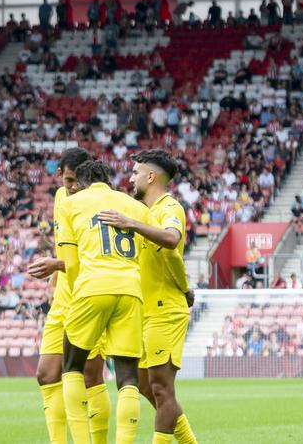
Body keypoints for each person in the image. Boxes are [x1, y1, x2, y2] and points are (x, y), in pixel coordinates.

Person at [96, 150, 198, 444]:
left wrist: (132, 224)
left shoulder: (170, 207)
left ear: (151, 177)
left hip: (166, 311)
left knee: (162, 389)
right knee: (144, 386)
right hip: (145, 310)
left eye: (136, 172)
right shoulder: (142, 210)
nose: (130, 178)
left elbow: (171, 239)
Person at [55, 160, 149, 444]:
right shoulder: (134, 206)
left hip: (92, 287)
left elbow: (71, 264)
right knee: (127, 377)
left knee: (72, 366)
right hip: (131, 289)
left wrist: (76, 299)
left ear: (82, 182)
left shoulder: (71, 204)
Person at [26, 148, 114, 444]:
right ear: (60, 176)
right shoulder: (61, 199)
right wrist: (56, 273)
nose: (72, 186)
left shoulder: (98, 206)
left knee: (90, 376)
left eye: (77, 181)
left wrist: (57, 264)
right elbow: (66, 247)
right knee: (47, 374)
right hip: (64, 297)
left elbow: (96, 257)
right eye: (68, 180)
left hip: (91, 294)